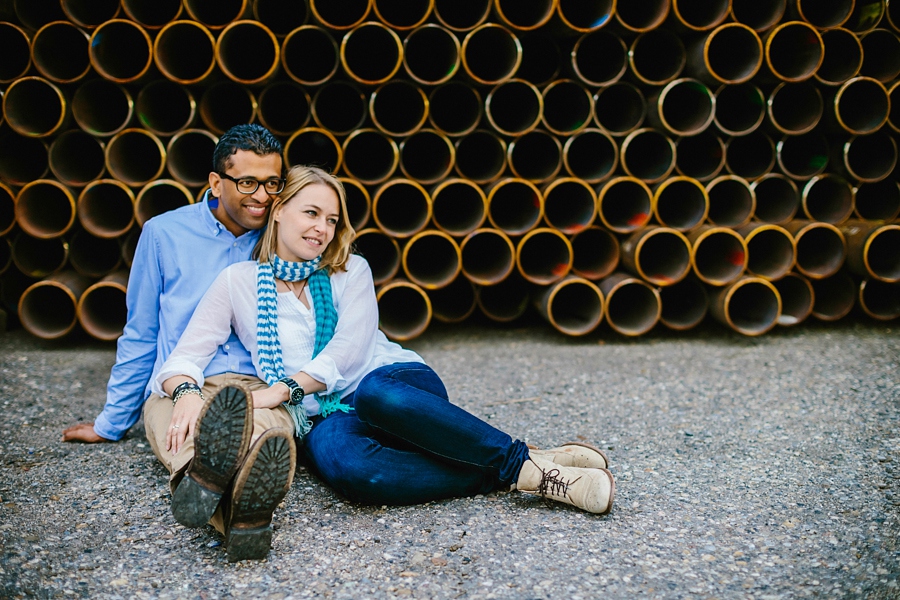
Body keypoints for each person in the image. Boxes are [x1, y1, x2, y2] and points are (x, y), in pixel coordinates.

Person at [155, 164, 615, 542]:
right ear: (278, 211)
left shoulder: (349, 269)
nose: (322, 228)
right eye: (311, 213)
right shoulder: (237, 282)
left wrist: (284, 389)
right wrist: (187, 394)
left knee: (377, 394)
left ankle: (523, 468)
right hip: (324, 414)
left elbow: (351, 352)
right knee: (349, 468)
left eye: (332, 219)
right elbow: (185, 356)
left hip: (396, 386)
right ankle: (521, 465)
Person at [61, 124, 296, 562]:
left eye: (271, 183)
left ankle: (234, 515)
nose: (262, 196)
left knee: (268, 441)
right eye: (246, 182)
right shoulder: (164, 234)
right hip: (179, 382)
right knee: (188, 444)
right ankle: (239, 515)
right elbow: (141, 332)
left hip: (257, 383)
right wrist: (111, 422)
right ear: (215, 182)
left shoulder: (284, 234)